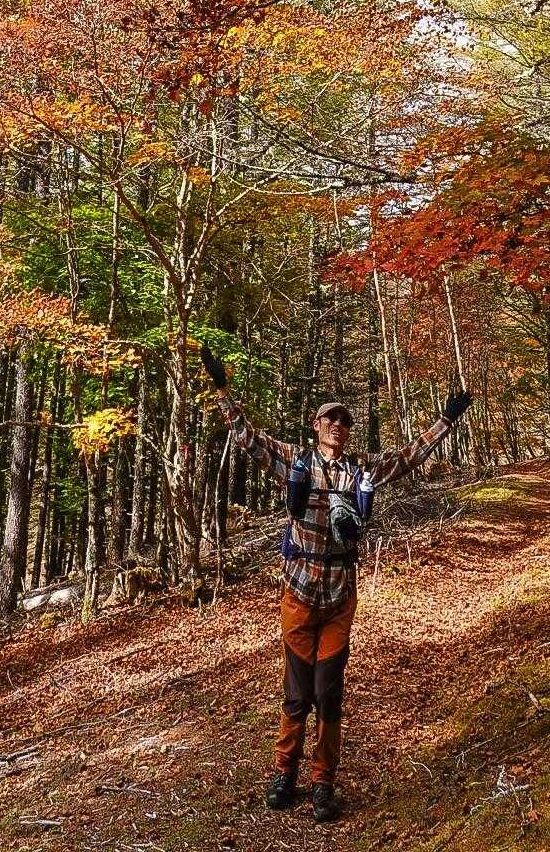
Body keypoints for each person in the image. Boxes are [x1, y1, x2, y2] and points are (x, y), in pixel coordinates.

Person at [199, 343, 472, 824]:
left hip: (340, 597)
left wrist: (446, 421)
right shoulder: (296, 461)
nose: (338, 426)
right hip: (299, 596)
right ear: (316, 424)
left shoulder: (360, 468)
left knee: (328, 694)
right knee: (296, 694)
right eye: (330, 419)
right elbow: (248, 439)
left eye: (344, 421)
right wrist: (222, 390)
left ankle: (323, 782)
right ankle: (285, 773)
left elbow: (408, 457)